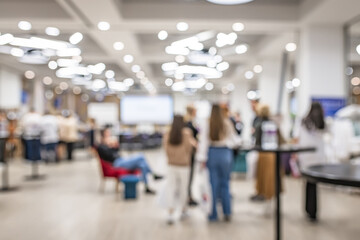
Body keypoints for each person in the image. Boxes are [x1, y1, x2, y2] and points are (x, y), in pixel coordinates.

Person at [197, 104, 240, 222]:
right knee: (225, 183)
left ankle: (213, 214)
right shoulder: (227, 123)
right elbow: (235, 140)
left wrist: (202, 159)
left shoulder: (207, 124)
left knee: (213, 185)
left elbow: (203, 142)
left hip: (213, 153)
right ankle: (227, 212)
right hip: (226, 153)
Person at [97, 127, 162, 194]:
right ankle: (153, 175)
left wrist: (115, 146)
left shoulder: (109, 143)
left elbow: (116, 152)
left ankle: (147, 187)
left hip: (121, 160)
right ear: (104, 134)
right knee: (141, 156)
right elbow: (108, 156)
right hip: (116, 163)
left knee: (142, 165)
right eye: (107, 132)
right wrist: (109, 146)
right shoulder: (101, 146)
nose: (109, 133)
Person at [162, 115, 197, 224]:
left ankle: (170, 212)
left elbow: (165, 148)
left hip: (171, 164)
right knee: (183, 188)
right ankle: (183, 210)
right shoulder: (187, 133)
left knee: (171, 188)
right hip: (184, 165)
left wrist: (171, 158)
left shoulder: (168, 134)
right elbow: (190, 148)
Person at [296, 102, 327, 220]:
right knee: (314, 184)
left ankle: (309, 210)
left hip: (306, 156)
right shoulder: (322, 123)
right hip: (318, 156)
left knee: (308, 183)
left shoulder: (303, 121)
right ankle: (313, 211)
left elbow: (298, 138)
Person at [251, 104, 285, 202]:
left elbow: (257, 141)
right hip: (274, 154)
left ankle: (264, 193)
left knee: (264, 176)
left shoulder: (258, 124)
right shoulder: (273, 124)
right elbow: (280, 139)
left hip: (264, 154)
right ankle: (272, 194)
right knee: (273, 176)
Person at [184, 104, 199, 206]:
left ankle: (188, 195)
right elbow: (189, 138)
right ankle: (188, 196)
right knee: (189, 175)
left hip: (191, 153)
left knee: (189, 175)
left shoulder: (191, 122)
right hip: (189, 153)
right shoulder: (188, 124)